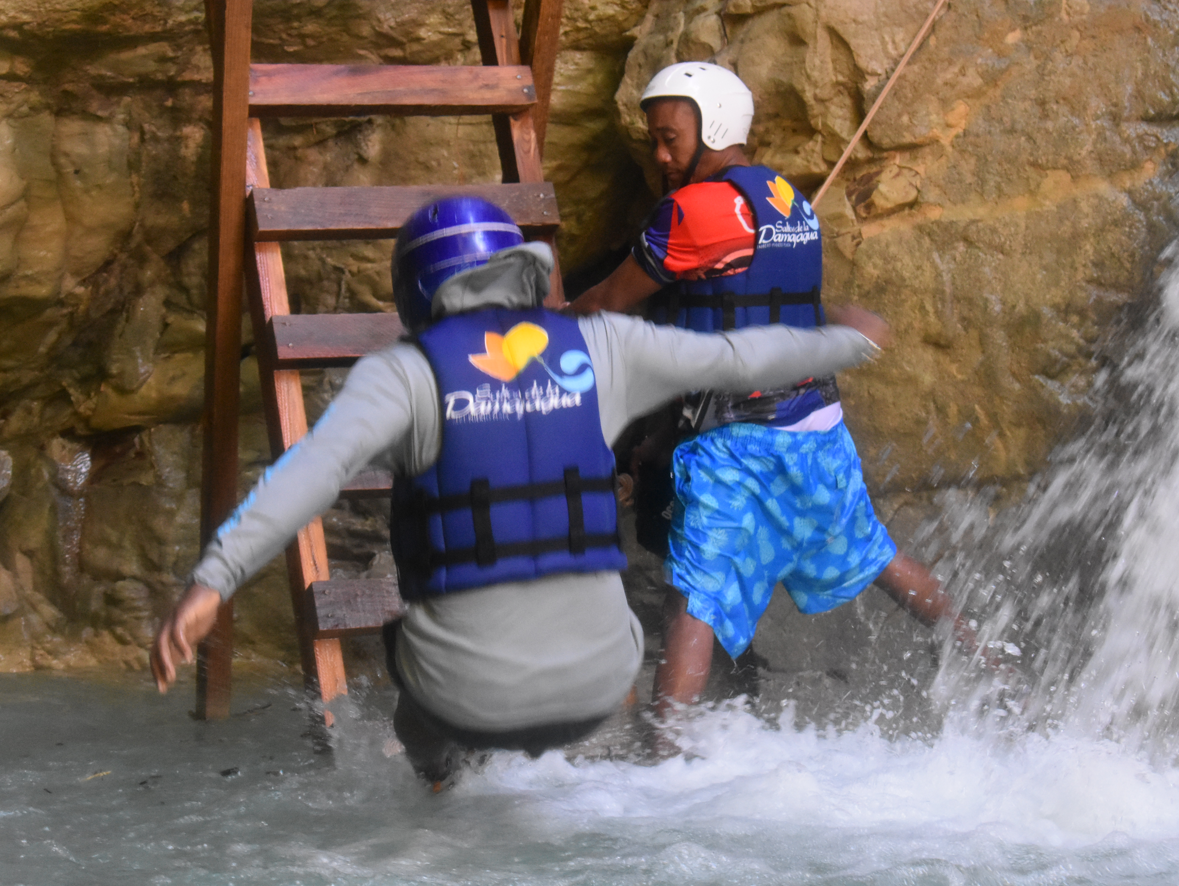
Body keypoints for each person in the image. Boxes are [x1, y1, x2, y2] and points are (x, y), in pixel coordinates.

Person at [151, 195, 893, 784]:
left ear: (417, 291)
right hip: (599, 686)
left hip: (461, 699)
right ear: (520, 271)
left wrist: (213, 580)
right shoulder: (603, 345)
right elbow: (737, 356)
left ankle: (439, 782)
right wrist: (849, 342)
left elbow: (309, 473)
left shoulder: (403, 374)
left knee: (408, 617)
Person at [565, 62, 983, 729]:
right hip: (816, 425)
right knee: (874, 552)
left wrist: (530, 328)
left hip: (739, 442)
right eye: (653, 139)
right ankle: (986, 656)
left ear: (714, 126)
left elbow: (606, 305)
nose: (660, 154)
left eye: (670, 137)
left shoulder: (693, 210)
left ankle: (665, 757)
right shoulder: (789, 202)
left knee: (692, 597)